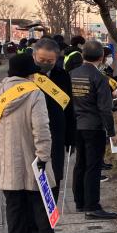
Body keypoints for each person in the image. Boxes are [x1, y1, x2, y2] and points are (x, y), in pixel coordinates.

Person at [0, 54, 67, 233]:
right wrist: (44, 155)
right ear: (31, 72)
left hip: (4, 156)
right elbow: (41, 128)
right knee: (38, 196)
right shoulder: (34, 93)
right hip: (30, 154)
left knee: (13, 200)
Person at [70, 40, 117, 219]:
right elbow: (105, 109)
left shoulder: (72, 74)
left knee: (80, 164)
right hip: (93, 127)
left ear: (83, 55)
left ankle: (80, 203)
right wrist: (112, 132)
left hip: (76, 125)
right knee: (93, 166)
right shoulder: (99, 78)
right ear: (101, 57)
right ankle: (93, 206)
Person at [32, 38, 76, 204]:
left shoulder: (62, 75)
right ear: (34, 56)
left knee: (55, 177)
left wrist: (71, 137)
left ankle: (49, 223)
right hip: (33, 135)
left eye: (49, 61)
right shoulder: (26, 76)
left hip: (56, 135)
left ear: (56, 59)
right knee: (33, 181)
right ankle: (33, 225)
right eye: (41, 60)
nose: (45, 64)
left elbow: (69, 107)